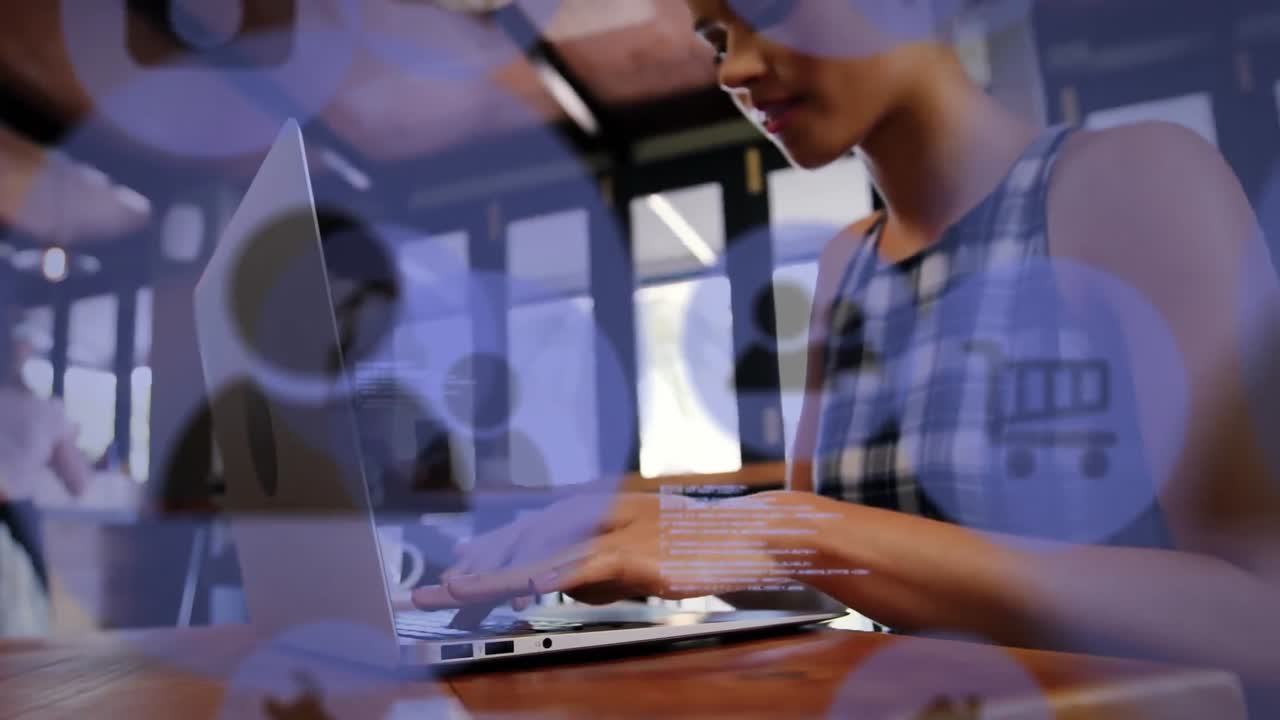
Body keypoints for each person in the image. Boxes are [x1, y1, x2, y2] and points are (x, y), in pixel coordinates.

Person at [412, 0, 1280, 698]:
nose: (733, 70)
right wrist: (660, 528)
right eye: (716, 38)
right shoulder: (844, 264)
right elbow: (821, 567)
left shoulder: (1135, 179)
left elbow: (1262, 617)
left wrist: (789, 531)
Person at [0, 316, 94, 635]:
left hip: (16, 523)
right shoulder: (44, 411)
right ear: (19, 353)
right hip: (17, 521)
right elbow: (78, 483)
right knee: (27, 627)